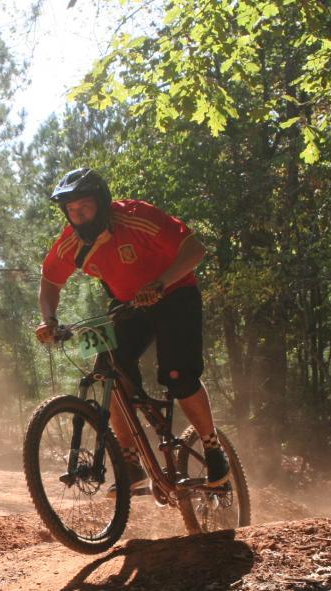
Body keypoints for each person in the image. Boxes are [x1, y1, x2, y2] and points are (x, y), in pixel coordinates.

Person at [34, 167, 230, 495]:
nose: (79, 216)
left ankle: (213, 448)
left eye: (85, 208)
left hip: (176, 293)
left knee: (178, 376)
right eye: (72, 211)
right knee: (107, 374)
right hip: (129, 306)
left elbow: (195, 250)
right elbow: (50, 281)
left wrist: (161, 283)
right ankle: (131, 462)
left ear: (102, 202)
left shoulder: (136, 216)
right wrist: (49, 320)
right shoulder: (71, 243)